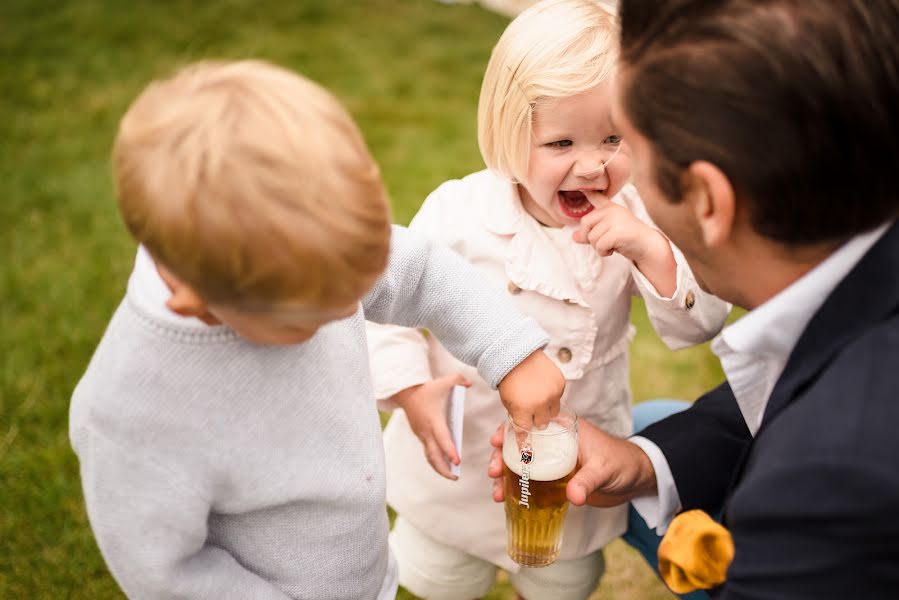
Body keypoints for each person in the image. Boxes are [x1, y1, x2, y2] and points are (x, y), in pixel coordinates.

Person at [68, 59, 567, 600]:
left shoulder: (309, 253)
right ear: (200, 304)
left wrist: (510, 350)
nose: (348, 310)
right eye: (314, 315)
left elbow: (420, 272)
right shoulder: (130, 415)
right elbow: (167, 574)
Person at [491, 0, 899, 597]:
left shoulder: (826, 486)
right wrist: (646, 462)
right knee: (652, 426)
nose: (599, 170)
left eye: (624, 141)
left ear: (707, 200)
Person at [366, 2, 729, 598]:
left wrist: (655, 254)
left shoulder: (638, 216)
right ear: (509, 135)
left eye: (613, 138)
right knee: (437, 579)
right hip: (458, 472)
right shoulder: (460, 214)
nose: (592, 165)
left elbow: (696, 327)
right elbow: (389, 309)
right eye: (561, 142)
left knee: (564, 580)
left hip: (572, 473)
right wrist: (411, 390)